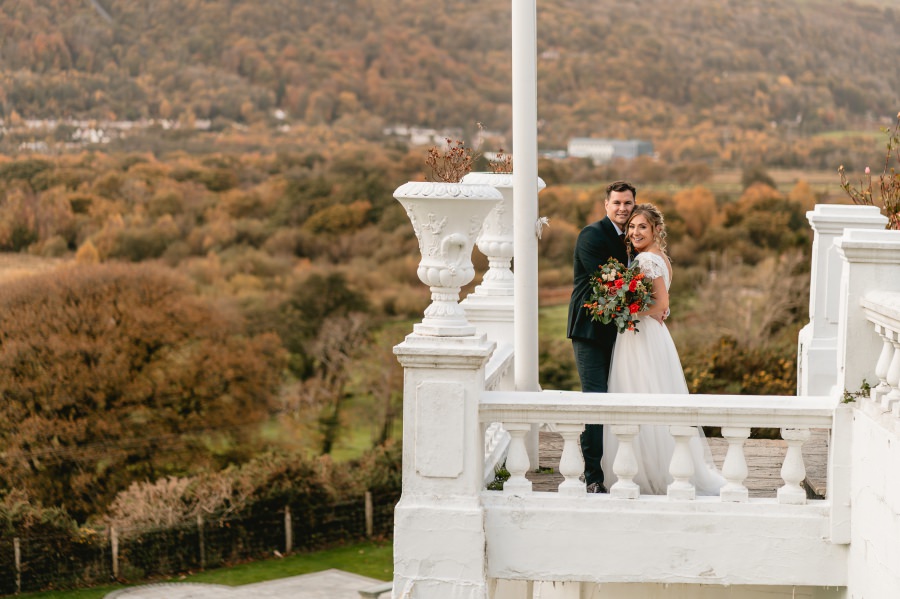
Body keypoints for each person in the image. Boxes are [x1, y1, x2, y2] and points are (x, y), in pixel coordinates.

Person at [600, 204, 725, 495]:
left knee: (641, 394)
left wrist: (623, 309)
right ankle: (647, 466)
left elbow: (661, 304)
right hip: (646, 334)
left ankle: (651, 473)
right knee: (645, 393)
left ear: (656, 229)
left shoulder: (647, 260)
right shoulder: (659, 258)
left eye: (642, 227)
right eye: (631, 227)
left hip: (641, 336)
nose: (634, 232)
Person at [566, 180, 636, 494]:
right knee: (596, 399)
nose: (622, 208)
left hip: (624, 333)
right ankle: (593, 476)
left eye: (628, 203)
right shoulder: (591, 235)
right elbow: (608, 284)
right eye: (617, 203)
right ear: (606, 205)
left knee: (623, 395)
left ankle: (623, 466)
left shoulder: (636, 238)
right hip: (591, 331)